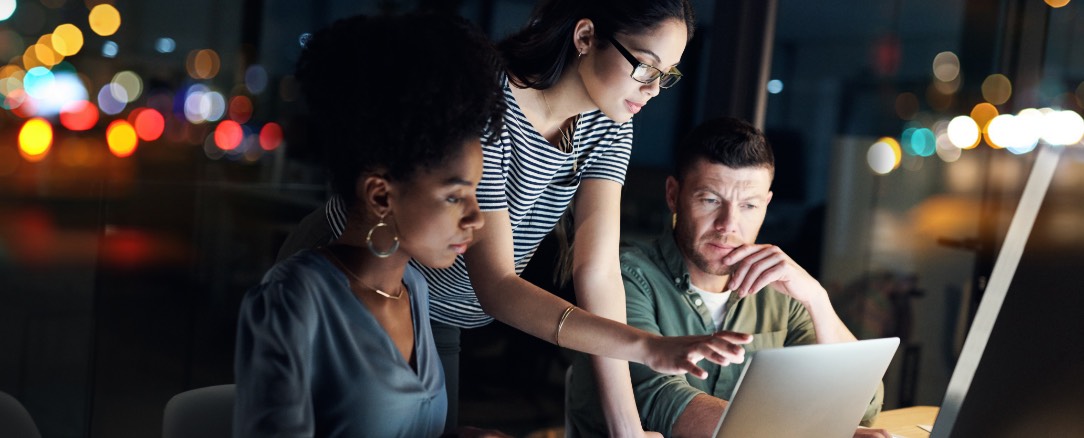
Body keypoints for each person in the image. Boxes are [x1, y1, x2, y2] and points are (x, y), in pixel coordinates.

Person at [276, 0, 752, 434]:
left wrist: (625, 426)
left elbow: (598, 273)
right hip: (360, 274)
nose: (652, 90)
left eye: (666, 75)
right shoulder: (486, 101)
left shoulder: (610, 124)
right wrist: (647, 346)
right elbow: (498, 284)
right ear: (585, 37)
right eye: (645, 67)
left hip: (437, 310)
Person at [233, 13, 506, 436]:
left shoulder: (413, 289)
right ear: (381, 195)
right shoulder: (292, 301)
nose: (476, 220)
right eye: (455, 197)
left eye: (475, 194)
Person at [567, 117, 890, 438]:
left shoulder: (780, 291)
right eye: (710, 200)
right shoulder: (624, 277)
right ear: (672, 195)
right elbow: (661, 401)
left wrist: (817, 299)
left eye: (749, 205)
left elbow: (865, 406)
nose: (728, 224)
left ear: (766, 205)